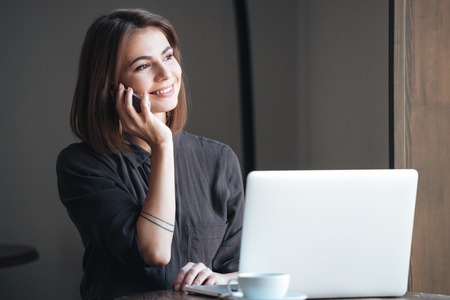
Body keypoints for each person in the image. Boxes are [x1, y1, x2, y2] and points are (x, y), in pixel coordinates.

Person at [56, 8, 244, 300]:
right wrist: (163, 145)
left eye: (168, 57)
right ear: (110, 85)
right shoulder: (81, 165)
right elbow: (155, 251)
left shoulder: (219, 160)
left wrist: (219, 278)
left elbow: (243, 268)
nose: (166, 73)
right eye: (143, 66)